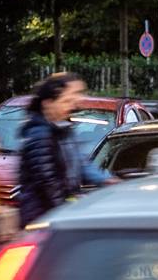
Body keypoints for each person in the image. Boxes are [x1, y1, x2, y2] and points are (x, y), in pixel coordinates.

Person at [16, 73, 115, 225]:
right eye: (66, 101)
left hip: (56, 214)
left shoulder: (63, 129)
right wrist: (64, 212)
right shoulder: (39, 134)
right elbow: (48, 182)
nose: (72, 106)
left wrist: (107, 180)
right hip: (41, 218)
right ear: (48, 104)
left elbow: (80, 163)